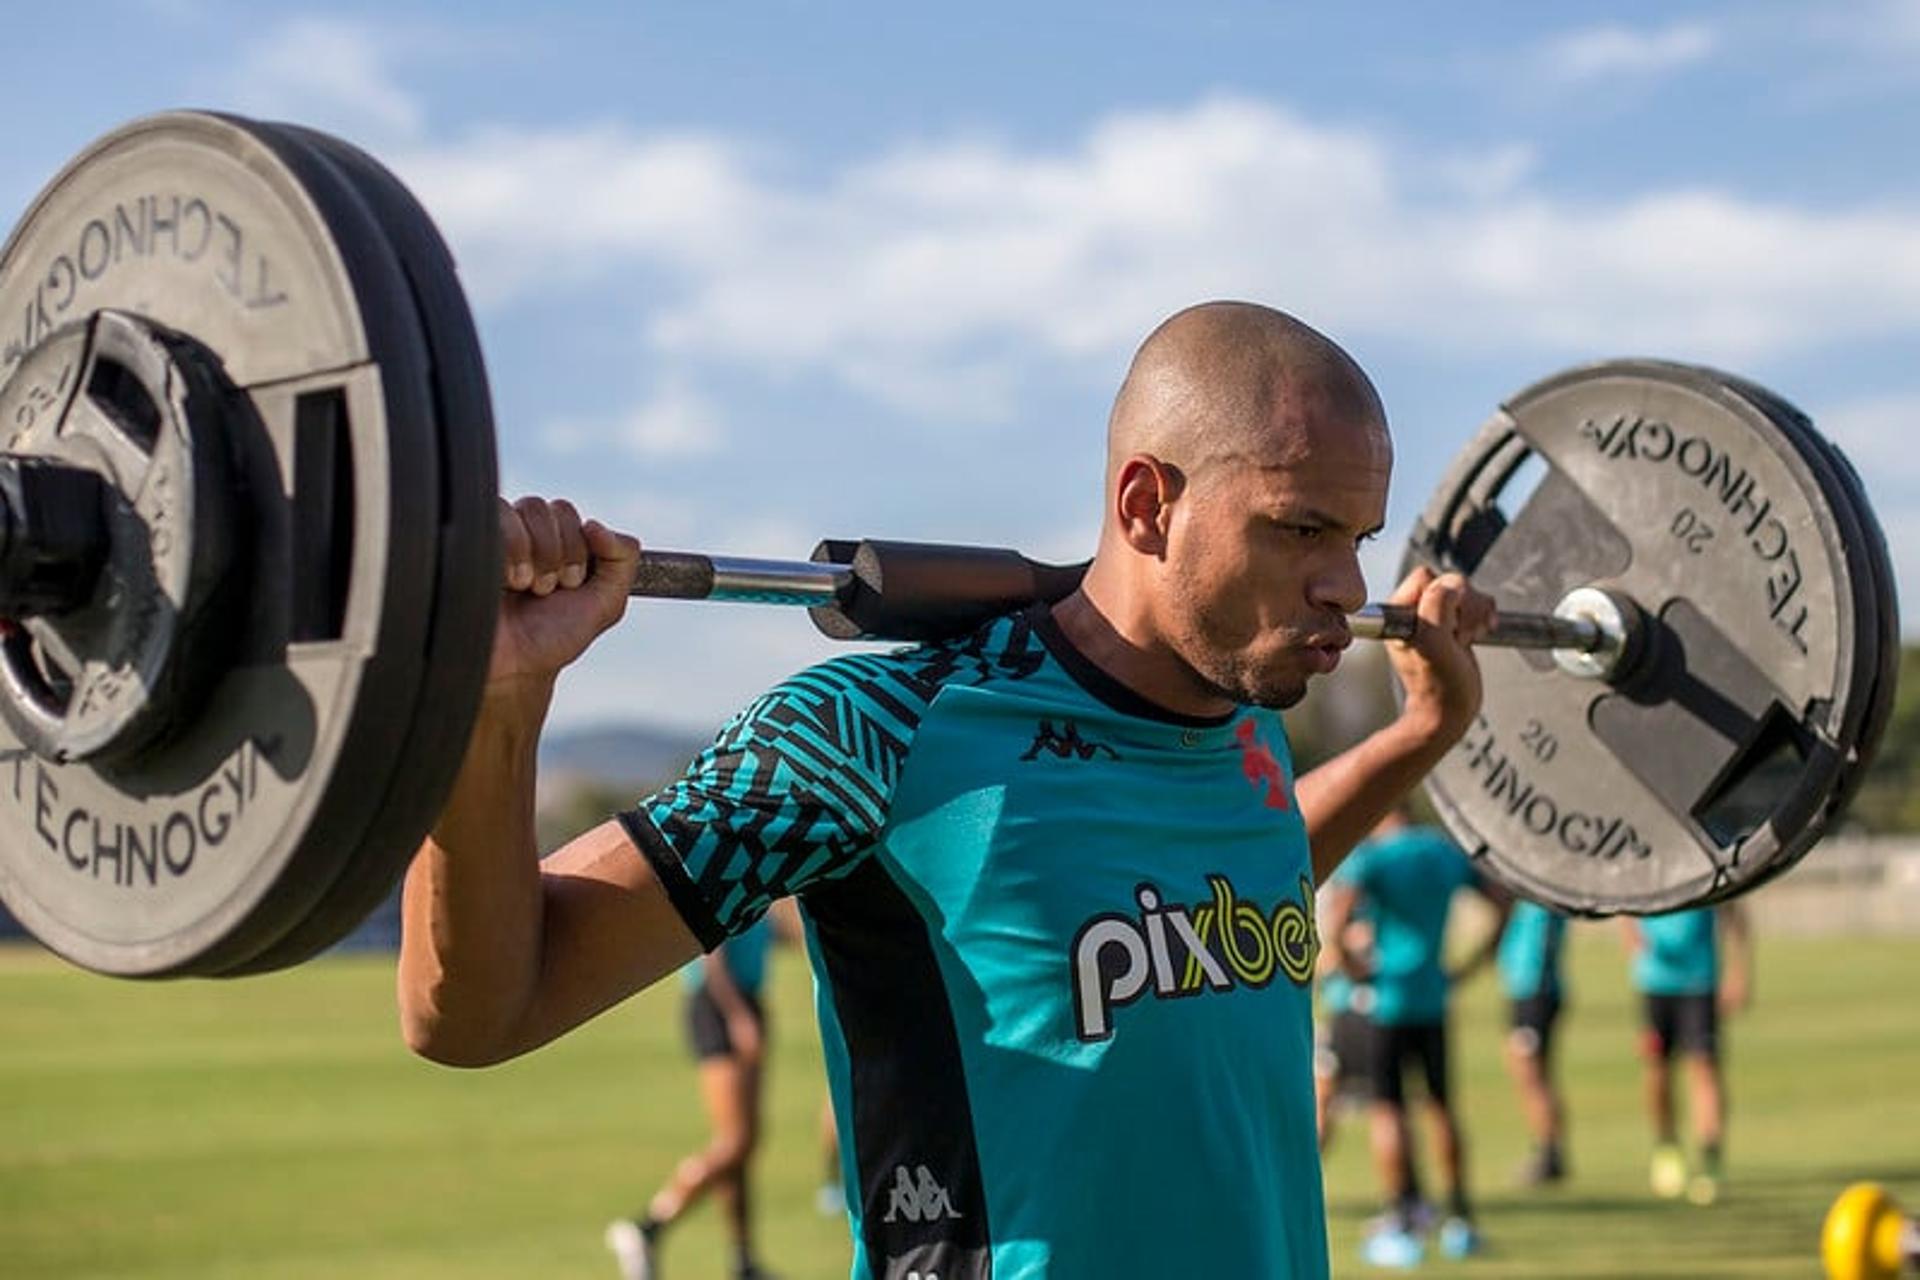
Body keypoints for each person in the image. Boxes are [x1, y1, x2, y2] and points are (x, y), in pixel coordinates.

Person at [397, 300, 1497, 1279]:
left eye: (1356, 537)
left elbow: (1244, 872)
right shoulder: (880, 731)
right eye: (1301, 526)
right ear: (1147, 502)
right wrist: (494, 702)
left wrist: (1423, 732)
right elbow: (474, 1008)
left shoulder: (1246, 727)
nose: (1345, 586)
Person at [1318, 808, 1509, 1267]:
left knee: (1390, 1109)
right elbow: (1501, 901)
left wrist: (1350, 966)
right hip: (1432, 999)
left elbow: (1338, 924)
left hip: (1385, 1001)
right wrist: (1473, 963)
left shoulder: (1373, 858)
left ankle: (1402, 1218)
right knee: (1441, 1105)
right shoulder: (1441, 851)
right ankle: (1460, 1218)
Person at [605, 917, 778, 1280]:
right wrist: (738, 1015)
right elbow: (710, 953)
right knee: (735, 1141)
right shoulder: (729, 868)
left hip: (744, 999)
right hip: (721, 1003)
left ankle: (743, 1260)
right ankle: (648, 1228)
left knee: (742, 1147)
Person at [1622, 902, 1752, 1206]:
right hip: (1655, 980)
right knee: (1657, 1070)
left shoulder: (1704, 863)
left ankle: (1710, 1158)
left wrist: (1739, 971)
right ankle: (1666, 1147)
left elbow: (1734, 912)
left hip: (1699, 980)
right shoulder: (1650, 862)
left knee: (1705, 1067)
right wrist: (1632, 941)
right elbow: (1627, 903)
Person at [1499, 899, 1571, 1187]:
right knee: (1531, 1074)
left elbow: (1542, 942)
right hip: (1525, 990)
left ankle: (1550, 1153)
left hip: (1534, 991)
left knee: (1532, 1075)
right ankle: (1547, 1148)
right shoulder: (1526, 893)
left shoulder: (1540, 897)